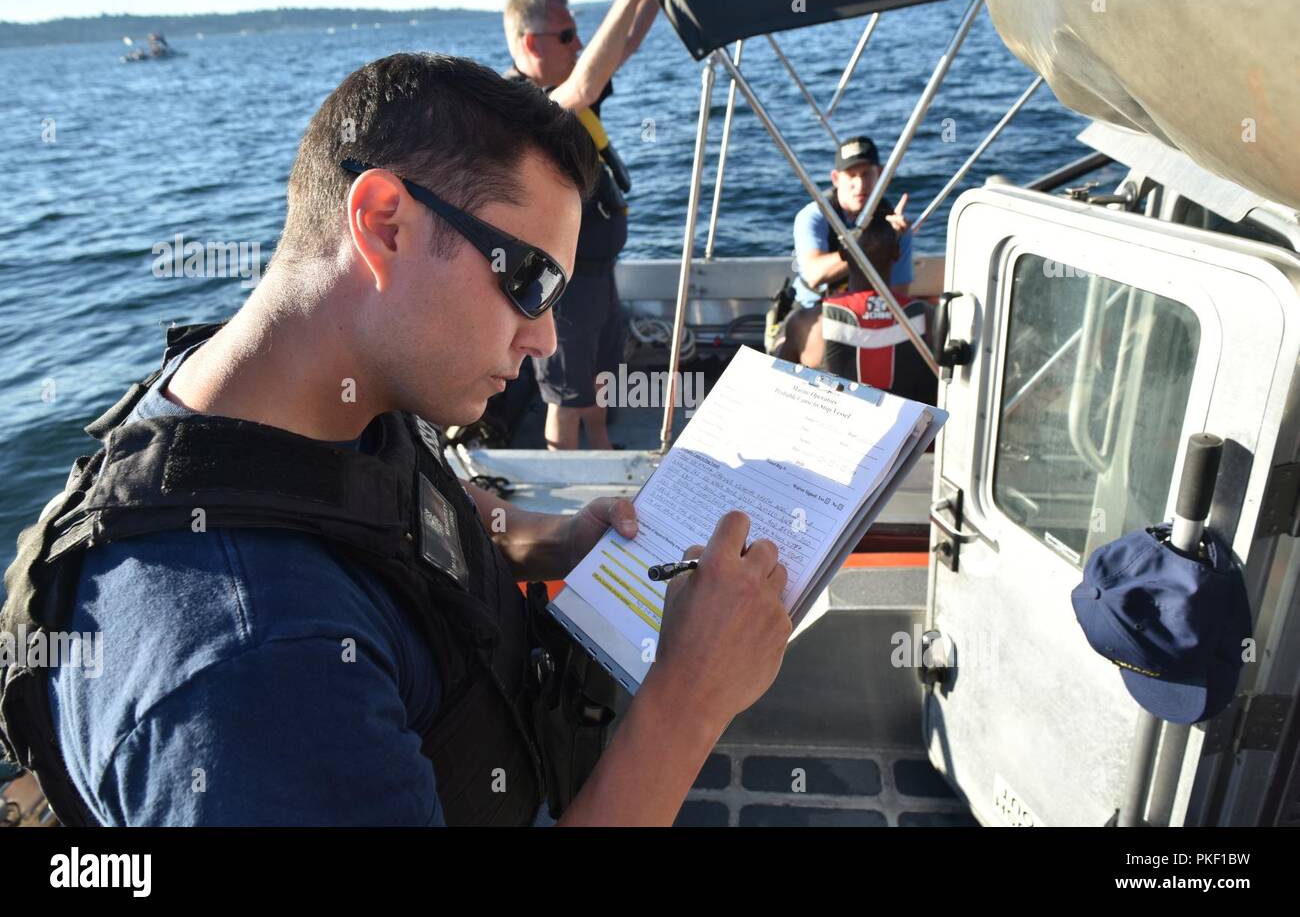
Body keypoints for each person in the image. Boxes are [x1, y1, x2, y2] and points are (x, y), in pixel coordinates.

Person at [0, 53, 791, 826]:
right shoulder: (259, 673)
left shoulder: (314, 394)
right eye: (529, 282)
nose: (546, 338)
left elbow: (398, 507)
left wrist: (549, 543)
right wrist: (689, 699)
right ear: (385, 224)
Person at [500, 0, 659, 450]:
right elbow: (585, 87)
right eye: (568, 35)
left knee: (599, 375)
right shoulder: (519, 107)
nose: (578, 45)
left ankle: (603, 450)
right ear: (532, 44)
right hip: (561, 285)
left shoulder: (569, 83)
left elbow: (622, 47)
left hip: (597, 272)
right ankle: (566, 494)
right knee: (564, 396)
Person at [776, 135, 939, 367]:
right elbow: (814, 274)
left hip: (867, 315)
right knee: (780, 359)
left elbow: (897, 293)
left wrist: (893, 240)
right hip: (812, 309)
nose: (860, 185)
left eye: (866, 174)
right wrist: (872, 244)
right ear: (836, 178)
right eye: (851, 176)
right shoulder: (814, 216)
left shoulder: (896, 226)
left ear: (880, 174)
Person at [809, 209, 937, 405]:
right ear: (897, 253)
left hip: (838, 429)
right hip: (908, 433)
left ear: (843, 254)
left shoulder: (810, 322)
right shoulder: (927, 317)